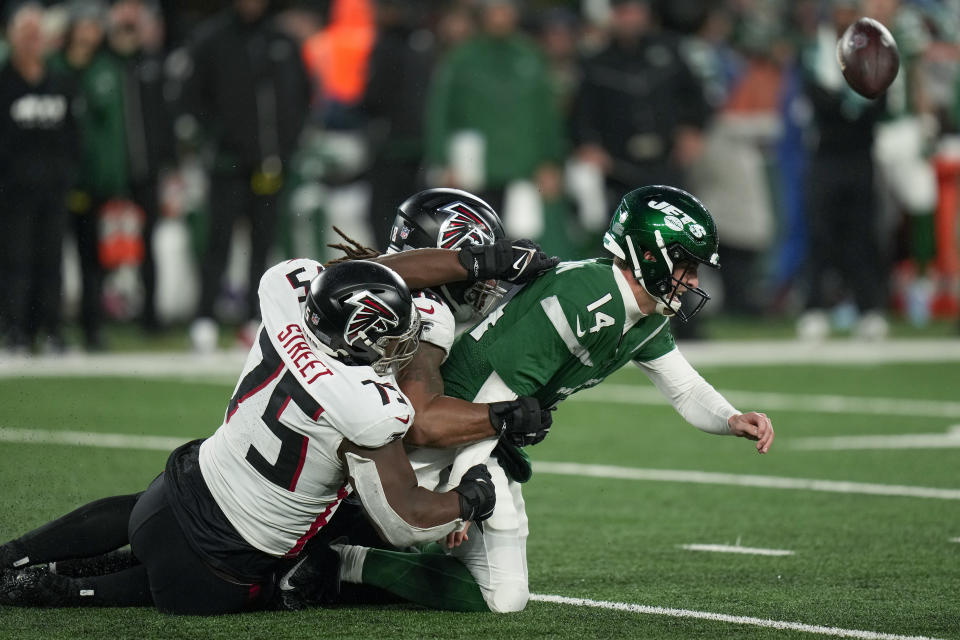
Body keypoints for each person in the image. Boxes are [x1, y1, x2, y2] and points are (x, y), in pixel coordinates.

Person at [0, 236, 558, 613]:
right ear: (361, 338)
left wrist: (478, 262)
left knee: (140, 522)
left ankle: (16, 554)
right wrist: (471, 499)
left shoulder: (286, 292)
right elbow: (406, 519)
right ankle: (60, 590)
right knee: (292, 580)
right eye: (390, 337)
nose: (400, 345)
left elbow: (366, 274)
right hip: (217, 571)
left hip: (172, 494)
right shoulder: (365, 403)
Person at [287, 185, 775, 613]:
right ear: (651, 255)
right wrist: (462, 492)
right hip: (445, 434)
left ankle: (357, 563)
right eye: (686, 267)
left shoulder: (643, 313)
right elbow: (494, 396)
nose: (692, 282)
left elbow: (686, 388)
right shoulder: (587, 299)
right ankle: (341, 558)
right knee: (447, 553)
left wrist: (732, 419)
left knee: (505, 597)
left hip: (488, 434)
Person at [181, 0, 311, 352]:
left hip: (270, 164)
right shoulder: (212, 40)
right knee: (218, 241)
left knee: (263, 244)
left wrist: (287, 146)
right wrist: (221, 137)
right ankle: (204, 317)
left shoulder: (282, 41)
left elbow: (303, 96)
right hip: (228, 164)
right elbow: (191, 98)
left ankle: (255, 319)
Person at [0, 3, 77, 353]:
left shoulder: (59, 82)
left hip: (53, 189)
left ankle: (51, 330)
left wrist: (69, 175)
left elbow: (75, 136)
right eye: (25, 35)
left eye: (37, 36)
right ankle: (15, 328)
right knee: (16, 261)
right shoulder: (4, 82)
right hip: (14, 192)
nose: (32, 43)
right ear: (12, 39)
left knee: (52, 261)